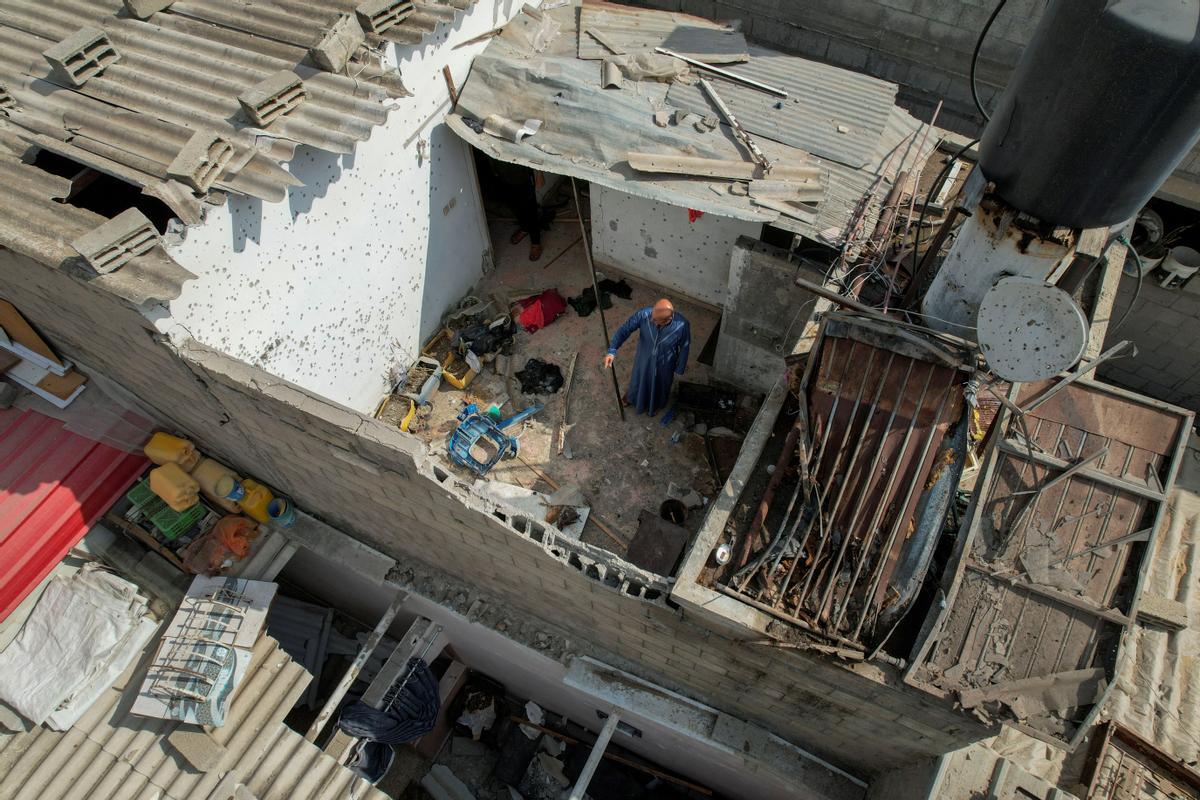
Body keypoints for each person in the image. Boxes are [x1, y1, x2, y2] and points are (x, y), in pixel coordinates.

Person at [604, 298, 691, 416]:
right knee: (639, 379)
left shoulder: (682, 325)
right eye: (652, 315)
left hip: (665, 364)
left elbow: (685, 346)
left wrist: (680, 367)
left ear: (667, 320)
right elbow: (624, 330)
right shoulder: (644, 314)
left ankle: (654, 405)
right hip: (643, 358)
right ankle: (632, 398)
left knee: (660, 384)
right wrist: (612, 351)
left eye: (656, 320)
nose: (651, 320)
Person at [492, 160, 544, 261]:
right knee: (512, 204)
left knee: (530, 208)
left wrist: (539, 173)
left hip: (522, 173)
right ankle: (525, 228)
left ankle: (535, 243)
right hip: (502, 171)